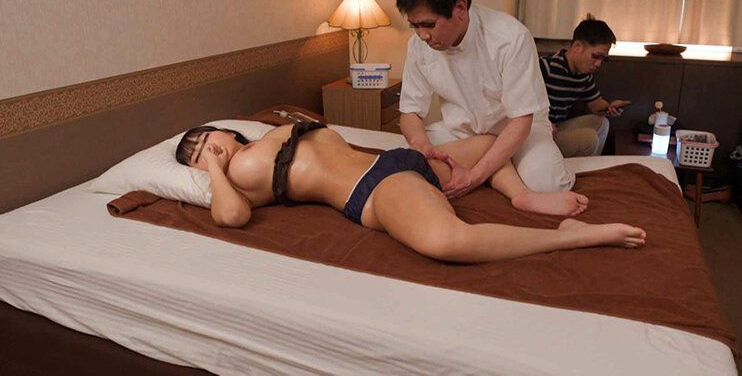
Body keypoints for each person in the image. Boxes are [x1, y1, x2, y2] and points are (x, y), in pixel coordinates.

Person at [174, 122, 646, 264]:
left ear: (225, 129)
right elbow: (231, 217)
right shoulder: (236, 179)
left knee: (490, 142)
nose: (203, 150)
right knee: (449, 241)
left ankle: (521, 196)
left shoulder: (271, 131)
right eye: (193, 156)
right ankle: (568, 236)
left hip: (393, 161)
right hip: (373, 189)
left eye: (203, 140)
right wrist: (214, 167)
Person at [395, 0, 574, 199]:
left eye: (429, 25)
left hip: (519, 131)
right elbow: (410, 111)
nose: (423, 35)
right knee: (407, 168)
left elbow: (521, 121)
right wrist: (420, 143)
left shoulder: (510, 38)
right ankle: (499, 169)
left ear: (461, 8)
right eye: (415, 26)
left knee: (547, 185)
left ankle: (514, 163)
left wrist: (474, 177)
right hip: (461, 132)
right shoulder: (418, 45)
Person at [541, 14, 630, 157]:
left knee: (602, 123)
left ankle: (588, 165)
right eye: (596, 56)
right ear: (577, 47)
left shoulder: (584, 74)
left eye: (603, 59)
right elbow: (520, 102)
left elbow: (595, 104)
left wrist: (610, 108)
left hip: (557, 129)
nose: (598, 63)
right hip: (539, 133)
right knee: (590, 138)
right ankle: (581, 168)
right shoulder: (546, 67)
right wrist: (542, 123)